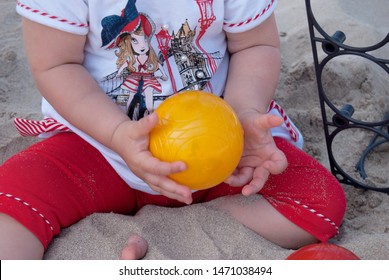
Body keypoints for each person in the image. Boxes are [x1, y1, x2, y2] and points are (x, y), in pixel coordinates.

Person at [0, 0, 346, 260]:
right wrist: (118, 133)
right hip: (99, 146)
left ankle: (192, 220)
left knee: (319, 208)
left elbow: (255, 45)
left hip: (217, 153)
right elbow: (57, 65)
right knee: (9, 206)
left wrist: (243, 114)